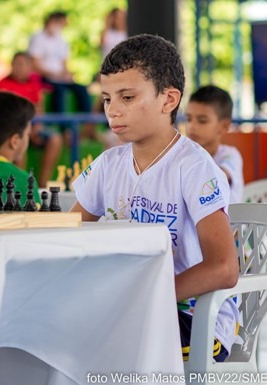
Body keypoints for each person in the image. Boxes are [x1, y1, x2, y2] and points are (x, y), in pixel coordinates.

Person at [70, 34, 239, 362]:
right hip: (131, 308)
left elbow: (224, 268)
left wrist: (145, 296)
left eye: (127, 97)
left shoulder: (193, 167)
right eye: (106, 99)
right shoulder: (108, 164)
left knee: (103, 345)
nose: (113, 111)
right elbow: (68, 233)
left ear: (168, 100)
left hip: (195, 320)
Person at [0, 52, 63, 188]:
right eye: (17, 64)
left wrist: (36, 126)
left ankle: (43, 184)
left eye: (23, 64)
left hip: (34, 127)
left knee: (55, 139)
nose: (19, 68)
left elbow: (39, 109)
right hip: (13, 129)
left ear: (30, 67)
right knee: (20, 141)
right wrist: (25, 130)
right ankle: (22, 185)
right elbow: (3, 113)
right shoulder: (2, 84)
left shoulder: (35, 83)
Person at [186, 85, 244, 203]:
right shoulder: (186, 156)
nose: (192, 126)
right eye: (188, 119)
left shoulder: (230, 155)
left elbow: (215, 180)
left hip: (230, 221)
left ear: (224, 126)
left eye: (202, 121)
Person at [27, 11, 91, 114]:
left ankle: (87, 121)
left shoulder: (61, 40)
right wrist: (53, 74)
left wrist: (67, 74)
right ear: (52, 21)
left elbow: (64, 62)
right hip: (44, 77)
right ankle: (62, 125)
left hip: (60, 77)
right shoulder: (38, 38)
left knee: (81, 89)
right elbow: (35, 64)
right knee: (60, 91)